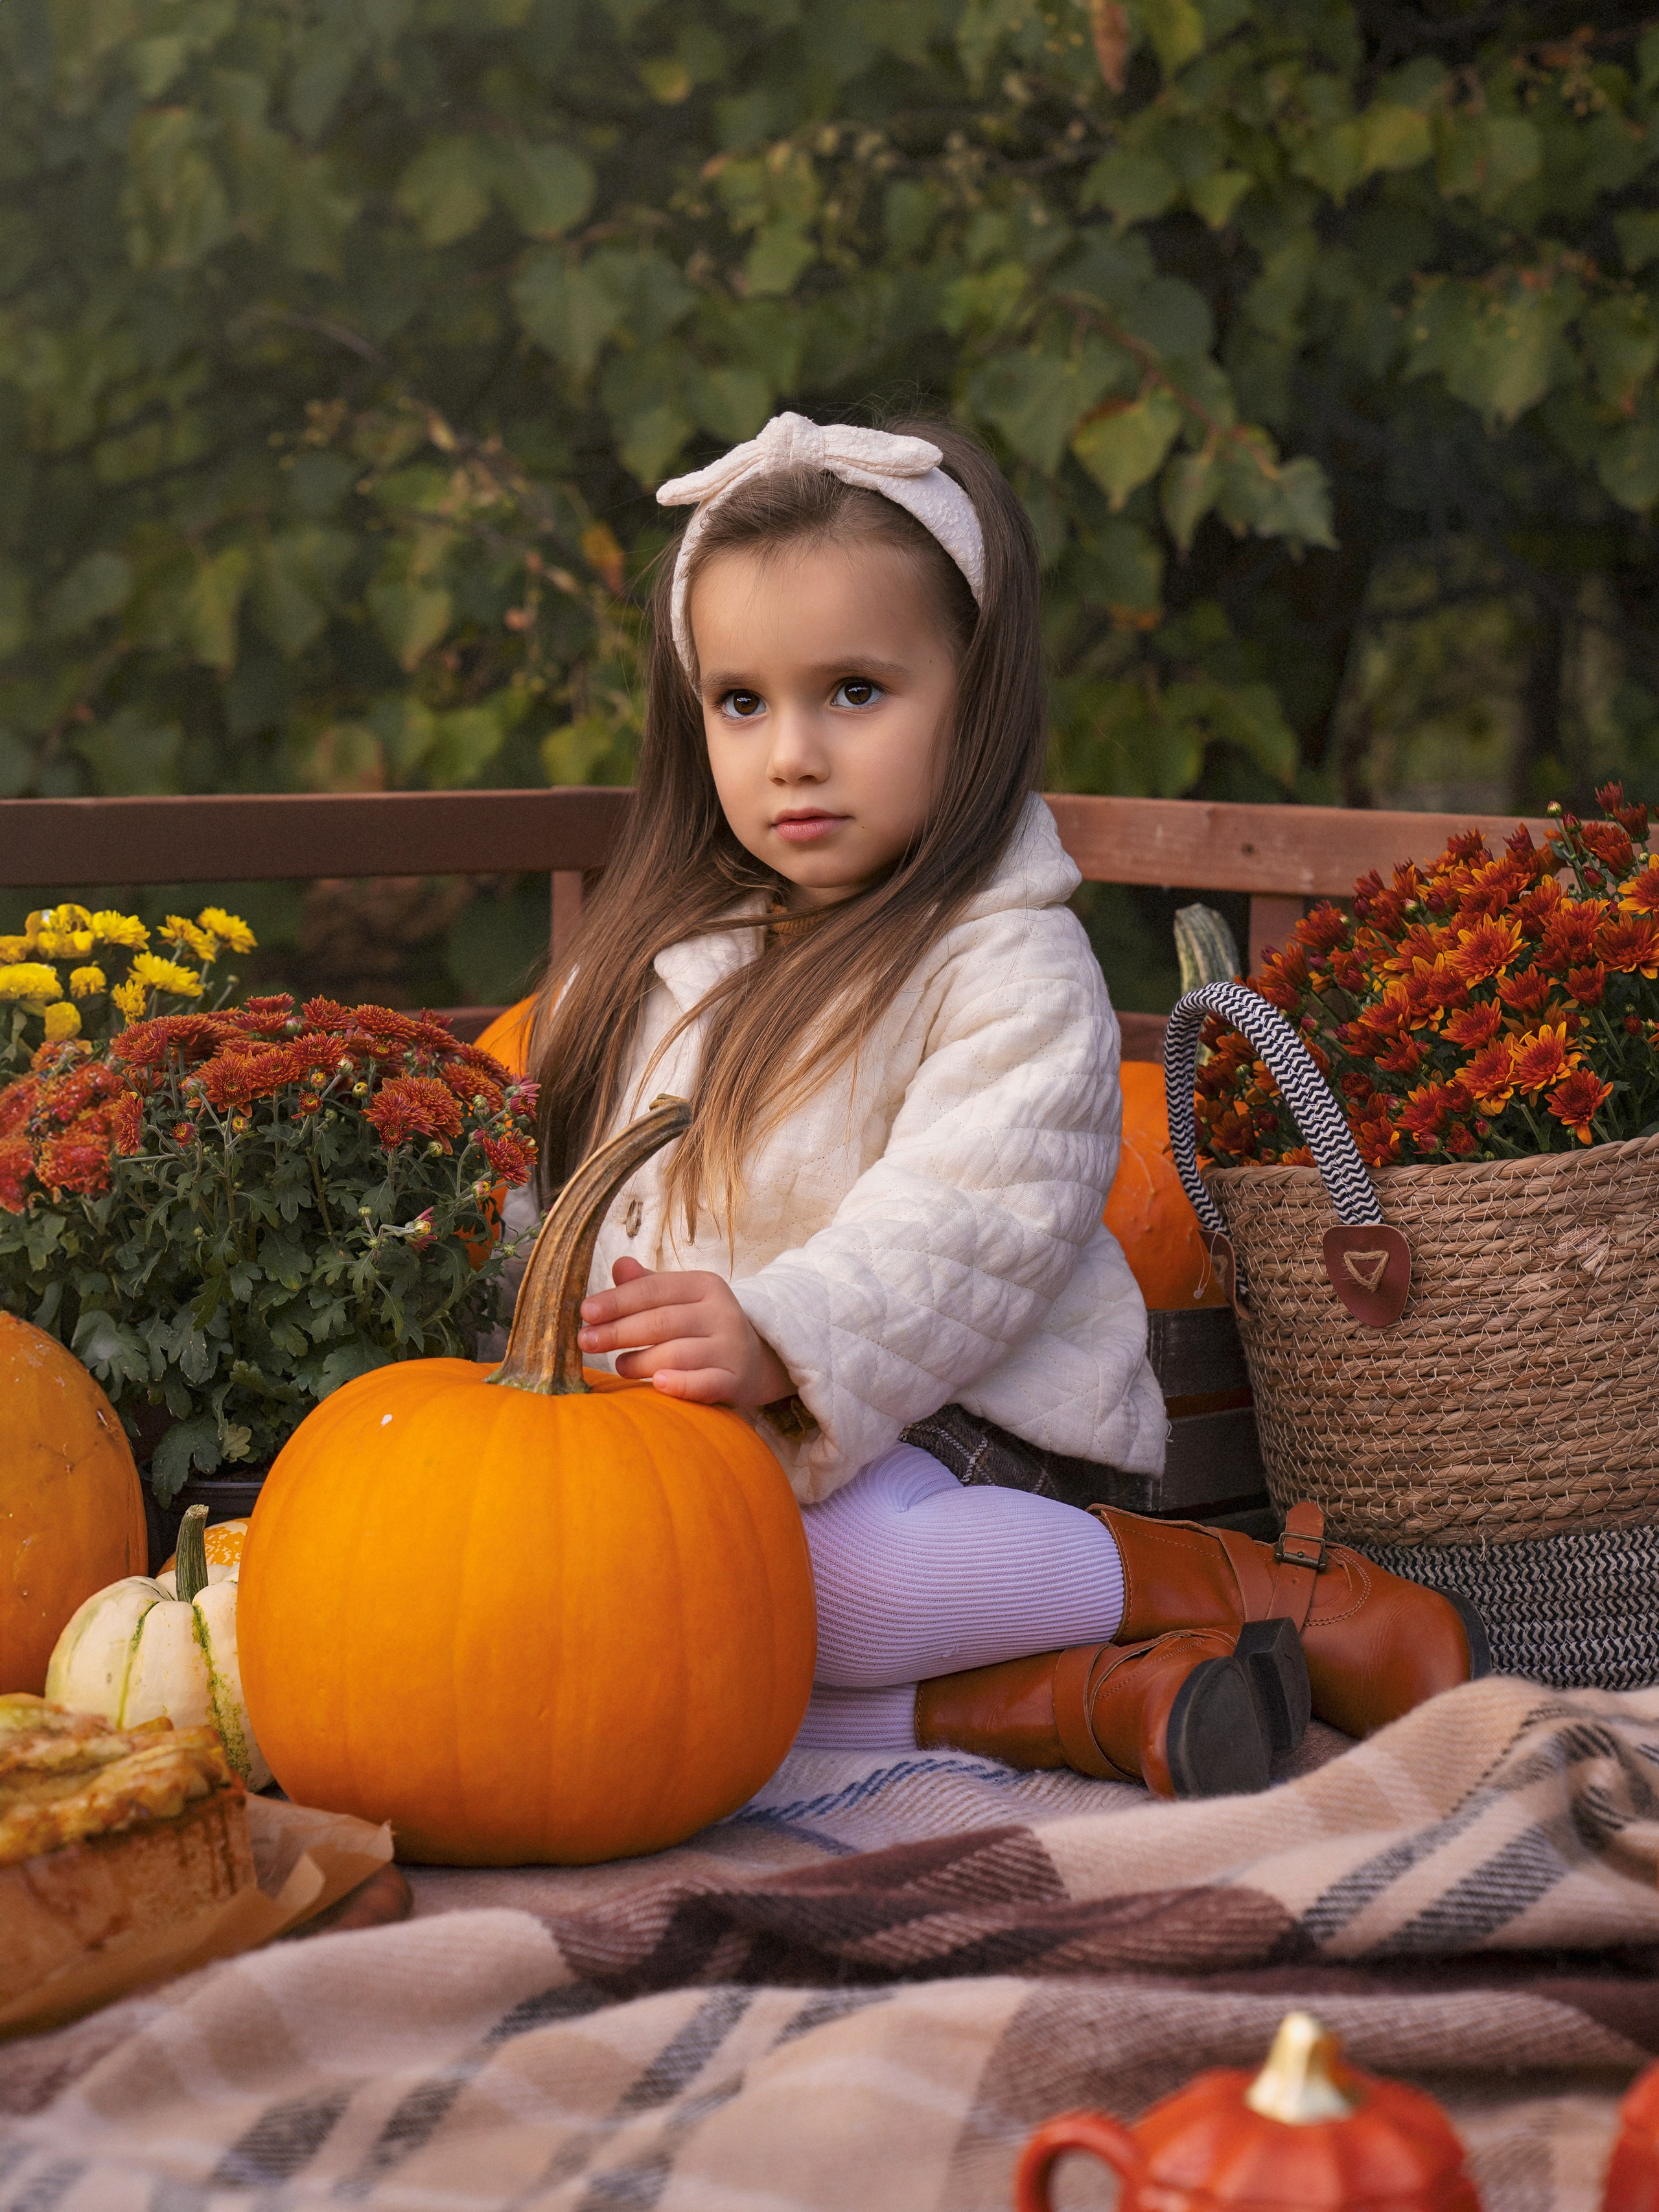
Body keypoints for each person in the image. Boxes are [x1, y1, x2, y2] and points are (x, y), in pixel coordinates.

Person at [520, 412, 1487, 1799]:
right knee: (634, 1641)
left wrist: (783, 1333)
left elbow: (967, 1226)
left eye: (853, 691)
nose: (790, 753)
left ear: (973, 696)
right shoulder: (665, 958)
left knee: (825, 1593)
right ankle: (1082, 1706)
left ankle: (1247, 1590)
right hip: (726, 1444)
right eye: (742, 702)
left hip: (974, 1430)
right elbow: (574, 1199)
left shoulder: (1007, 960)